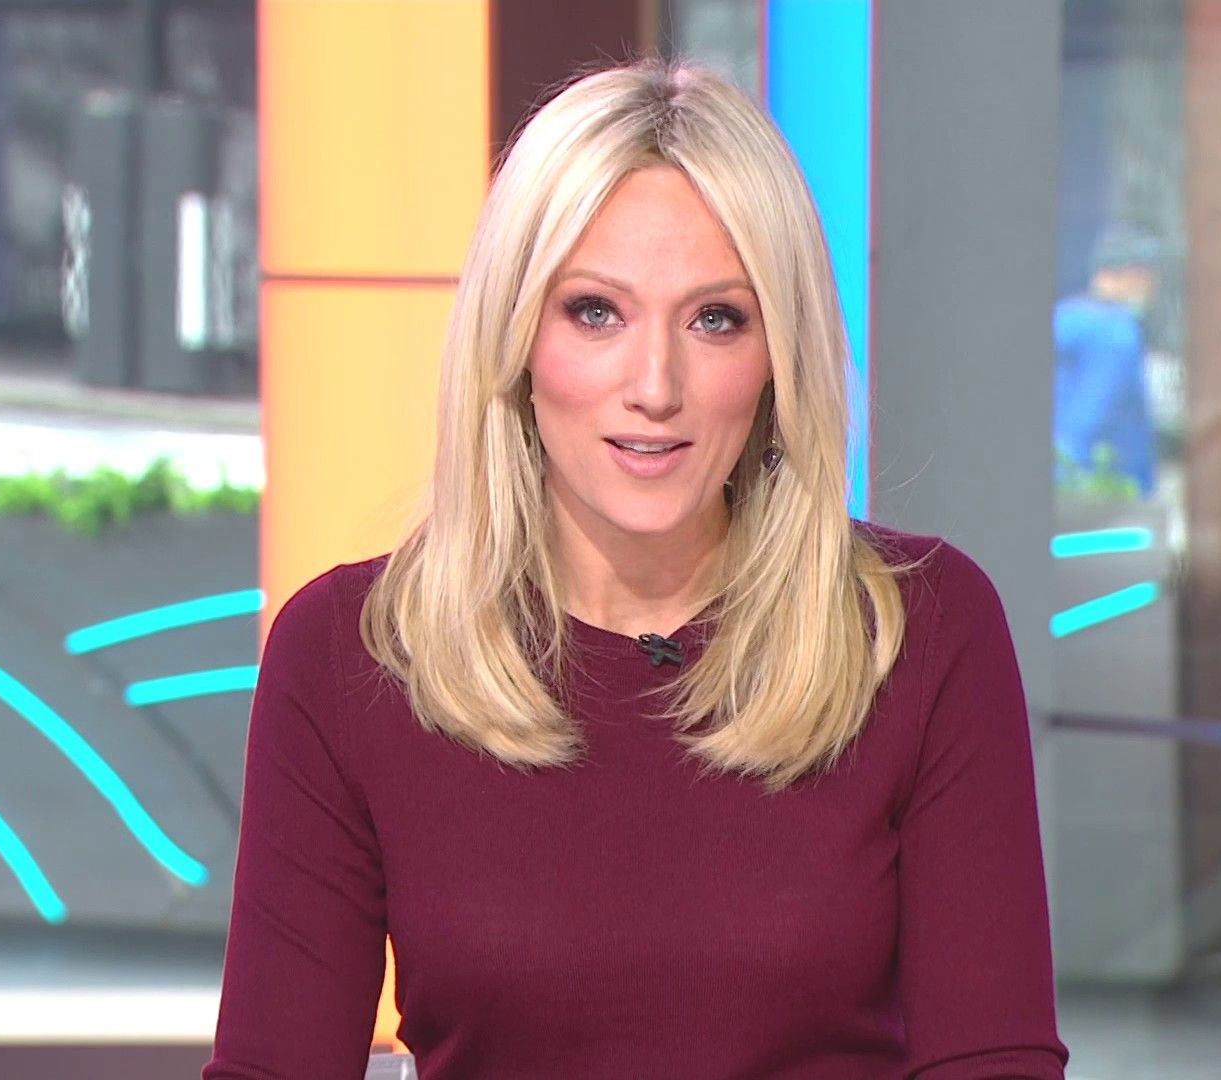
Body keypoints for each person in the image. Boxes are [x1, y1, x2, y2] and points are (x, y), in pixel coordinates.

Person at [204, 57, 1068, 1080]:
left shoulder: (918, 633)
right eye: (596, 312)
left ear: (779, 356)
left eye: (716, 319)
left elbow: (993, 1064)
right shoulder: (350, 654)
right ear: (515, 337)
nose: (655, 386)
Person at [1054, 225, 1162, 497]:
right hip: (1105, 487)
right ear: (1134, 274)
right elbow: (1094, 411)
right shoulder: (1116, 333)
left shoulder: (1064, 316)